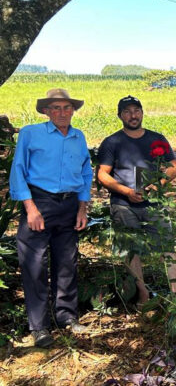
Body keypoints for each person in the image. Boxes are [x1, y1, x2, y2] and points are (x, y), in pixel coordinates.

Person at [10, 88, 92, 348]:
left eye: (67, 108)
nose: (62, 112)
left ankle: (66, 316)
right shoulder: (30, 133)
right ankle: (40, 326)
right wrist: (30, 208)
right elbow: (18, 171)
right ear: (46, 111)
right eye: (55, 108)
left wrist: (82, 208)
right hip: (40, 202)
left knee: (67, 262)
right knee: (34, 265)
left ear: (73, 111)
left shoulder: (78, 137)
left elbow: (86, 174)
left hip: (69, 205)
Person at [97, 96, 176, 304]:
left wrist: (158, 185)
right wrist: (125, 191)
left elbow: (173, 166)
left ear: (142, 113)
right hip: (124, 204)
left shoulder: (157, 138)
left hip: (154, 203)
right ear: (120, 116)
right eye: (127, 112)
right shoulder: (112, 142)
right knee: (131, 250)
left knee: (167, 246)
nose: (132, 115)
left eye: (136, 110)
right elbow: (103, 174)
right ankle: (142, 294)